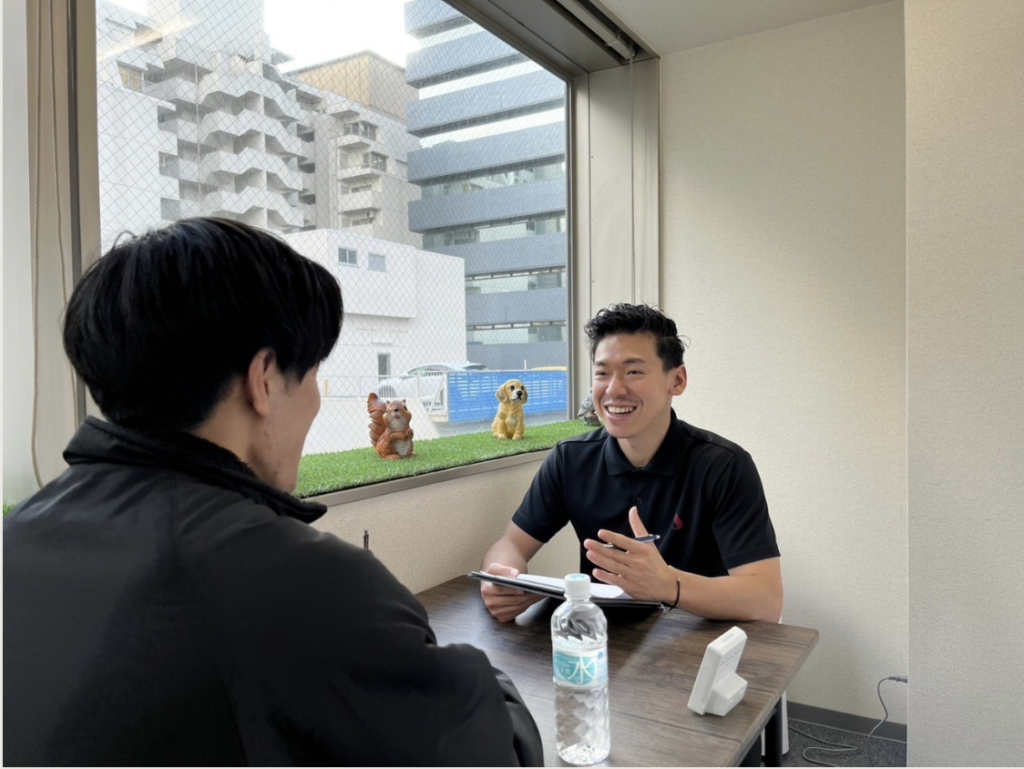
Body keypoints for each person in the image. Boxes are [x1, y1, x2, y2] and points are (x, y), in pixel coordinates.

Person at [3, 218, 542, 766]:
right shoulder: (303, 584)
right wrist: (479, 675)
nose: (314, 400)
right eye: (311, 373)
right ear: (263, 380)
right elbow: (502, 752)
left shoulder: (14, 539)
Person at [481, 303, 783, 624]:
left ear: (677, 380)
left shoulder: (724, 465)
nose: (614, 389)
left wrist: (669, 585)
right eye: (602, 373)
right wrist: (502, 580)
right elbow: (511, 544)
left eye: (634, 372)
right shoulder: (570, 458)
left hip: (697, 639)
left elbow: (766, 600)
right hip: (599, 637)